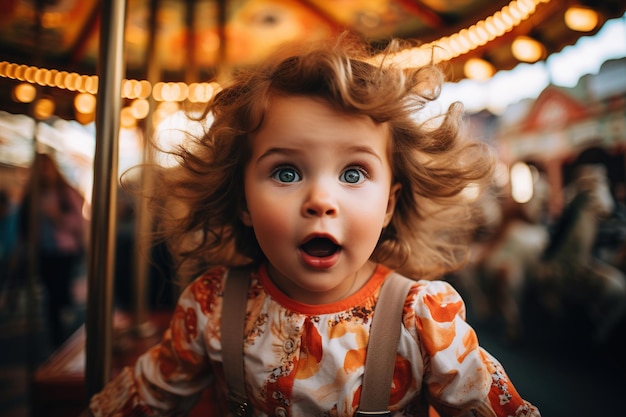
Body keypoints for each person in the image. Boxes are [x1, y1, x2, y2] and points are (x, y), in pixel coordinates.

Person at [89, 33, 540, 417]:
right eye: (286, 172)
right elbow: (141, 399)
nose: (321, 200)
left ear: (388, 204)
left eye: (352, 174)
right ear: (243, 201)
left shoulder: (422, 320)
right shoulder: (211, 308)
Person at [19, 152, 87, 348]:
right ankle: (56, 336)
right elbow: (24, 225)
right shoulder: (32, 195)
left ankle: (66, 331)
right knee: (50, 294)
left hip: (64, 250)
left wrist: (56, 216)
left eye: (46, 167)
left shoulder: (66, 193)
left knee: (61, 292)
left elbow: (77, 224)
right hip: (43, 250)